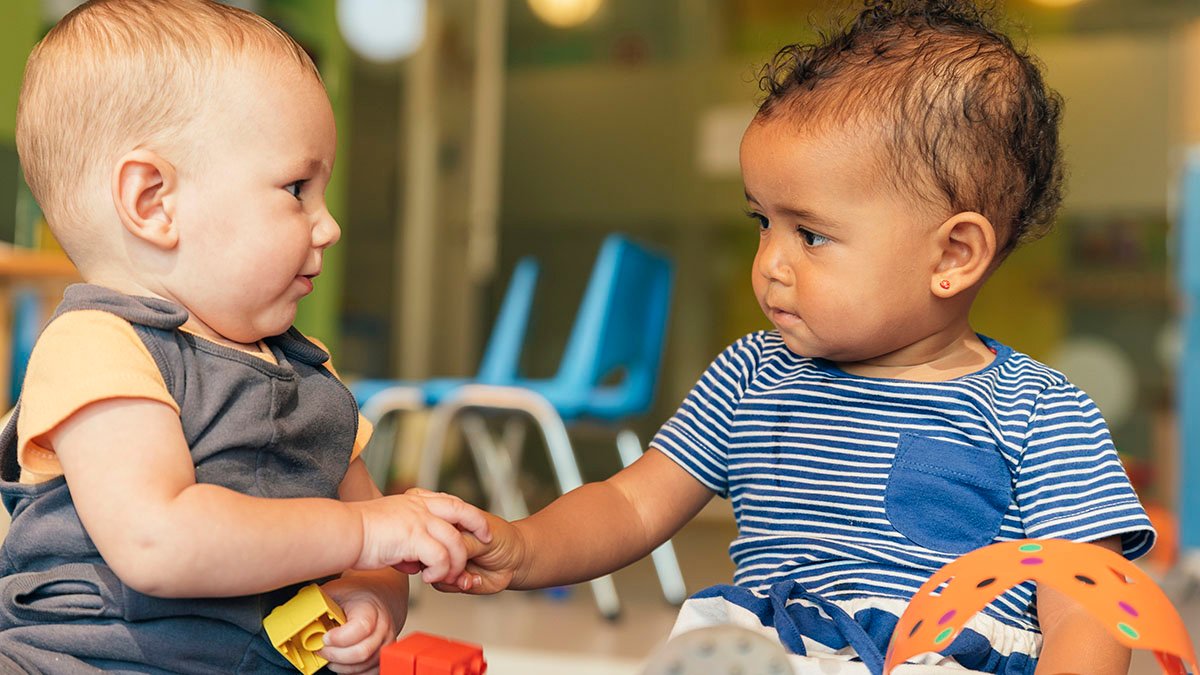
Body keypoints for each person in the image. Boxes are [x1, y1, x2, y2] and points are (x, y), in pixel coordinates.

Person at [446, 1, 1155, 673]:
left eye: (810, 234)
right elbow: (631, 504)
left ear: (952, 255)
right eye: (763, 222)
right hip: (771, 651)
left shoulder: (1040, 411)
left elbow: (1085, 602)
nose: (770, 264)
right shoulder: (751, 374)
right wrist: (525, 545)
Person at [0, 1, 489, 672]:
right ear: (153, 202)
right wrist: (360, 533)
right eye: (297, 188)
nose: (329, 226)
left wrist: (371, 596)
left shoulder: (312, 376)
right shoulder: (98, 347)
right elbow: (158, 541)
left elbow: (375, 543)